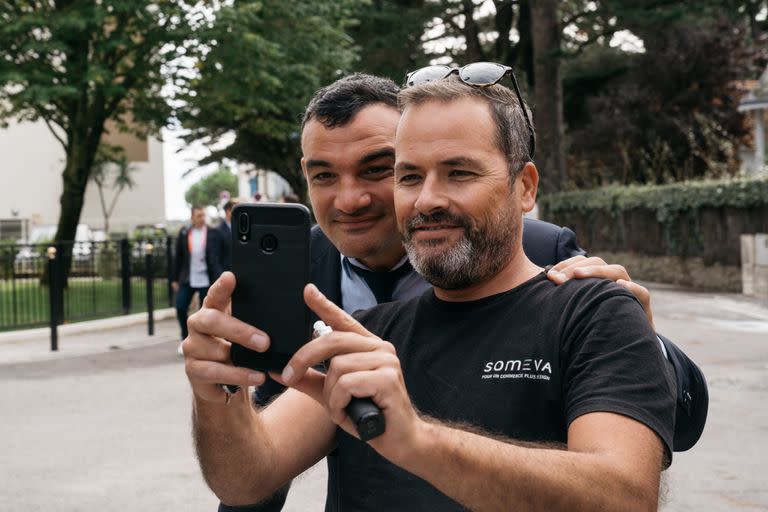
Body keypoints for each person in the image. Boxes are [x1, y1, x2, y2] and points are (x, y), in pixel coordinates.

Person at [184, 69, 686, 510]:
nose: (427, 200)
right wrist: (217, 395)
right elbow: (246, 480)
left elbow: (623, 497)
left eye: (458, 172)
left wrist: (416, 440)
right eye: (408, 177)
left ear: (525, 187)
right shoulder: (372, 333)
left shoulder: (594, 308)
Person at [172, 205, 223, 350]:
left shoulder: (214, 233)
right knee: (181, 306)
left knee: (204, 312)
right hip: (188, 278)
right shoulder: (184, 233)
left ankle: (202, 342)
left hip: (206, 278)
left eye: (203, 215)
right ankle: (185, 338)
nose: (202, 218)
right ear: (192, 217)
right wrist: (175, 279)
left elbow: (220, 255)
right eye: (199, 215)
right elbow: (178, 258)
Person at [215, 199, 239, 272]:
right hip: (225, 274)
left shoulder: (240, 229)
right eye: (237, 210)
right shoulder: (218, 231)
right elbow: (216, 257)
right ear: (228, 211)